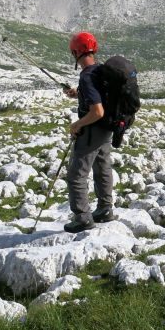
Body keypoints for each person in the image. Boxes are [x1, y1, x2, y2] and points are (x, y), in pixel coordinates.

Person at [61, 31, 115, 233]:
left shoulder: (86, 76)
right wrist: (79, 94)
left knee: (76, 173)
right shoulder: (99, 71)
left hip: (93, 130)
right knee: (102, 167)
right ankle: (105, 209)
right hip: (106, 130)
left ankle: (83, 218)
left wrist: (78, 125)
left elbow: (97, 111)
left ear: (76, 52)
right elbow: (99, 98)